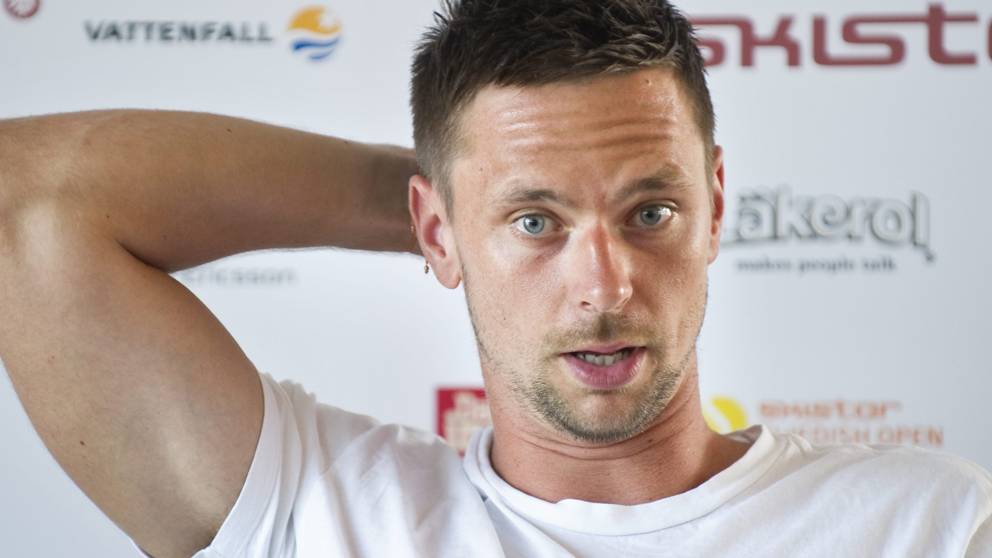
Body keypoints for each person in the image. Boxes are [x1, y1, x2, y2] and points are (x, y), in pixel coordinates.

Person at [1, 0, 989, 556]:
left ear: (715, 205)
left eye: (650, 211)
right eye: (536, 223)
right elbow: (26, 201)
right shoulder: (325, 515)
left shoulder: (925, 525)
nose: (604, 286)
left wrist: (510, 198)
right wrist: (450, 198)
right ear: (434, 231)